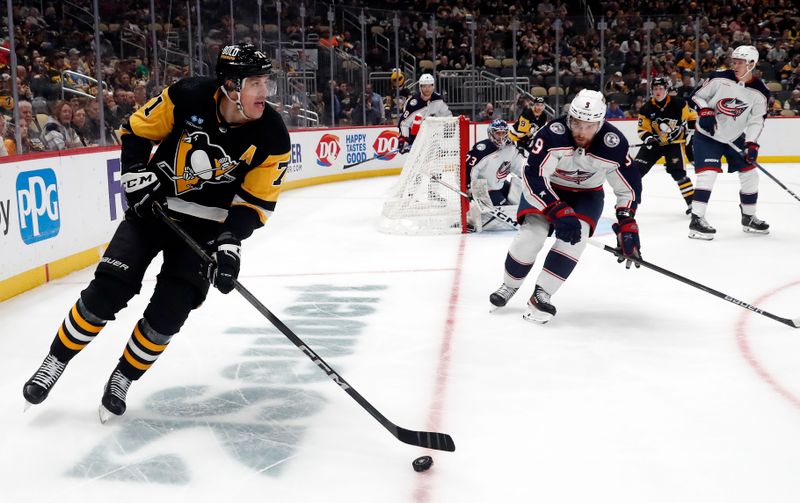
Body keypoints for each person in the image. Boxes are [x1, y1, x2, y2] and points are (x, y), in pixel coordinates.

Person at [22, 44, 291, 422]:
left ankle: (123, 379)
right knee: (108, 290)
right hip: (154, 211)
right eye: (256, 83)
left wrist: (229, 244)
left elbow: (254, 203)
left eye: (267, 83)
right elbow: (135, 130)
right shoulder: (188, 95)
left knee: (169, 313)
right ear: (231, 86)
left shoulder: (273, 136)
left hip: (206, 232)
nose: (265, 93)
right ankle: (55, 361)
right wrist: (135, 175)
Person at [489, 90, 641, 324]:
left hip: (586, 195)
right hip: (547, 189)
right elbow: (533, 176)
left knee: (575, 240)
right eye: (577, 123)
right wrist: (555, 209)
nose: (581, 131)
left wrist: (627, 222)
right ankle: (509, 286)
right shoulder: (551, 135)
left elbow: (628, 188)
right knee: (532, 236)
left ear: (600, 123)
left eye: (588, 126)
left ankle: (542, 294)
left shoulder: (615, 144)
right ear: (569, 118)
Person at [688, 45, 770, 240]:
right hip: (707, 135)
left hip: (733, 137)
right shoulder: (718, 78)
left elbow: (757, 120)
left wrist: (751, 144)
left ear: (752, 64)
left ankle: (749, 218)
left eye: (740, 62)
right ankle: (696, 220)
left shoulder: (760, 92)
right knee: (707, 174)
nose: (735, 65)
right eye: (734, 61)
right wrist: (705, 110)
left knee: (750, 175)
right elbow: (696, 96)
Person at [634, 76, 698, 214]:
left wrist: (690, 132)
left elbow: (693, 116)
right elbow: (642, 129)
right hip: (654, 145)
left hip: (673, 144)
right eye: (655, 89)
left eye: (661, 88)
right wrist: (649, 139)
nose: (658, 91)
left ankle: (692, 203)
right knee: (635, 173)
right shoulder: (646, 108)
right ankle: (630, 203)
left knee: (678, 173)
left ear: (666, 90)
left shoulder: (679, 103)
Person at [465, 119, 526, 232]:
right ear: (491, 133)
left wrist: (530, 175)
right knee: (506, 209)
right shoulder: (482, 149)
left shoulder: (510, 147)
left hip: (499, 184)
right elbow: (469, 169)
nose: (501, 136)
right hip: (484, 188)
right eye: (498, 133)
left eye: (503, 133)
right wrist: (469, 188)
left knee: (519, 198)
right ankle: (475, 220)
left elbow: (518, 165)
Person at [397, 73, 451, 151]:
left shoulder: (438, 100)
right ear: (420, 87)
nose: (427, 89)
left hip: (432, 138)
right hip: (414, 137)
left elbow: (447, 116)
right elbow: (404, 123)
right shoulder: (413, 103)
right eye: (424, 86)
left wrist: (448, 129)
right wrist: (404, 139)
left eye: (429, 86)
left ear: (433, 86)